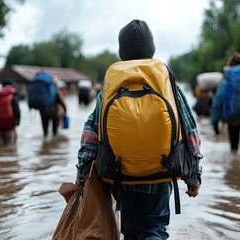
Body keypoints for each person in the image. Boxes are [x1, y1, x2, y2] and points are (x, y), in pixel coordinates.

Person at [75, 19, 203, 240]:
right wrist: (193, 177)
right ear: (151, 50)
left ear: (121, 52)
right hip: (161, 175)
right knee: (155, 229)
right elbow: (189, 130)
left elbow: (91, 134)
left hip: (121, 176)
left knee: (131, 233)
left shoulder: (111, 84)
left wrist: (81, 174)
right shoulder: (165, 80)